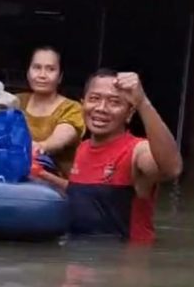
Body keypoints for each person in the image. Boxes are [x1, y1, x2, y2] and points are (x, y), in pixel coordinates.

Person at [34, 68, 182, 243]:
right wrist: (41, 175)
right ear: (82, 104)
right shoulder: (82, 148)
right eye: (94, 99)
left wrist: (142, 102)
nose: (101, 108)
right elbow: (87, 197)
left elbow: (172, 169)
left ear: (129, 113)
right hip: (79, 260)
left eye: (114, 102)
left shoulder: (137, 151)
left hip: (123, 265)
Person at [17, 46, 85, 176]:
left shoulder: (72, 108)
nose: (42, 75)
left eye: (50, 69)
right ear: (28, 73)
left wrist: (41, 146)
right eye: (37, 67)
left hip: (55, 181)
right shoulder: (16, 102)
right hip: (17, 176)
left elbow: (61, 138)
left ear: (60, 77)